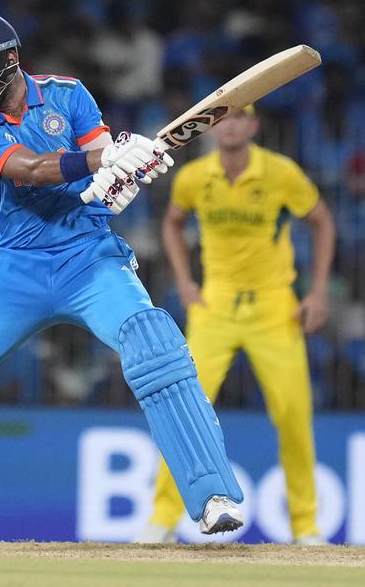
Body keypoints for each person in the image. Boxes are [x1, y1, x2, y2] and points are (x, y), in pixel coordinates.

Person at [0, 12, 245, 550]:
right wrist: (103, 158)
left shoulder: (69, 95)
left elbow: (101, 165)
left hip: (88, 257)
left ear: (9, 60)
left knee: (154, 344)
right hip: (16, 271)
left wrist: (118, 180)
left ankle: (212, 498)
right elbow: (33, 170)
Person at [139, 105, 335, 545]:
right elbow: (172, 222)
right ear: (212, 127)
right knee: (184, 413)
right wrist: (186, 283)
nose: (230, 124)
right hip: (215, 306)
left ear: (253, 125)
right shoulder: (194, 178)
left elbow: (322, 222)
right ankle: (162, 519)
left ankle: (306, 527)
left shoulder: (281, 172)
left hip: (274, 309)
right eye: (222, 117)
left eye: (241, 116)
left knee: (293, 415)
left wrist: (318, 291)